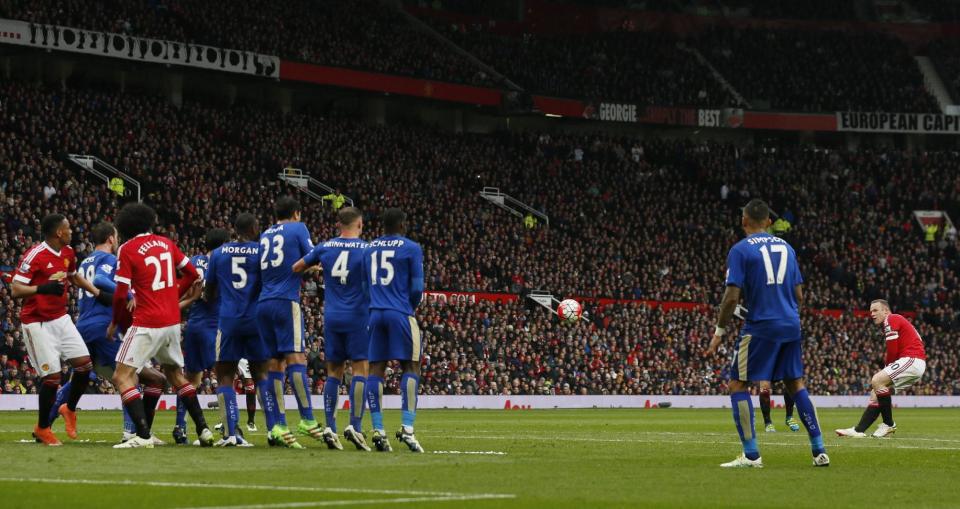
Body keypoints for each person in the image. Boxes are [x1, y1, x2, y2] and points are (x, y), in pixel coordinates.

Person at [706, 199, 829, 468]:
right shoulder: (788, 247)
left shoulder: (740, 250)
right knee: (796, 384)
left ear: (743, 221)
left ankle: (751, 455)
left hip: (761, 324)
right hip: (790, 324)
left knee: (738, 384)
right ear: (770, 222)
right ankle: (819, 450)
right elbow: (799, 294)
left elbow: (730, 298)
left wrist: (719, 331)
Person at [109, 202, 214, 449]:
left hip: (147, 321)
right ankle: (204, 429)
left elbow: (120, 293)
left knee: (121, 376)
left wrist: (115, 322)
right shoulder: (166, 243)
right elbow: (191, 274)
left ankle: (143, 436)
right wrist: (171, 294)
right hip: (171, 322)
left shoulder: (127, 248)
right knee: (175, 375)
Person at [63, 222, 168, 444]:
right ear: (111, 238)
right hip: (102, 328)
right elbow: (100, 280)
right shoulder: (110, 259)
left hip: (83, 325)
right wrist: (130, 295)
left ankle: (44, 423)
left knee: (79, 378)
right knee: (129, 375)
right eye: (117, 237)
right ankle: (132, 433)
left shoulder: (86, 261)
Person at [11, 213, 104, 446]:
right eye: (68, 228)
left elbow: (74, 277)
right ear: (58, 233)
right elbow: (15, 289)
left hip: (61, 319)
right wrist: (42, 289)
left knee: (84, 367)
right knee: (52, 377)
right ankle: (43, 428)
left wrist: (98, 293)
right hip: (37, 323)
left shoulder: (68, 252)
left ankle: (69, 408)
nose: (72, 231)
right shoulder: (35, 255)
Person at [294, 206, 371, 451]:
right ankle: (355, 427)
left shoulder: (325, 247)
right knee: (361, 370)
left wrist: (316, 267)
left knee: (334, 373)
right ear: (359, 225)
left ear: (339, 224)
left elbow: (296, 267)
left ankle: (330, 426)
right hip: (358, 315)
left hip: (333, 316)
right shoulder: (368, 250)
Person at [257, 196, 319, 448]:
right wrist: (313, 267)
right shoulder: (299, 228)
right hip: (285, 301)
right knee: (296, 359)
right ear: (296, 213)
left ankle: (280, 424)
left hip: (264, 303)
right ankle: (307, 419)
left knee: (274, 365)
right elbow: (313, 256)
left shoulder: (264, 234)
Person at [206, 213, 272, 447]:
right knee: (262, 374)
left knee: (225, 375)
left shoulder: (219, 253)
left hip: (229, 320)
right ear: (255, 227)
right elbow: (268, 285)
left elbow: (209, 292)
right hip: (256, 320)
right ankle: (274, 430)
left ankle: (230, 433)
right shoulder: (262, 251)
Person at [363, 208, 425, 453]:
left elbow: (364, 286)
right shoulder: (411, 247)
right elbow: (417, 288)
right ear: (401, 224)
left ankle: (378, 430)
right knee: (411, 365)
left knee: (375, 370)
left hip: (375, 312)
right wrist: (406, 307)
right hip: (400, 311)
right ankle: (407, 429)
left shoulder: (369, 248)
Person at [836, 299, 926, 438]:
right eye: (871, 311)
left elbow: (892, 350)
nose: (872, 314)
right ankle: (859, 430)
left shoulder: (891, 318)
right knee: (875, 393)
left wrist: (886, 369)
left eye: (875, 310)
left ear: (886, 310)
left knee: (877, 380)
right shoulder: (896, 320)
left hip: (912, 360)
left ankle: (889, 424)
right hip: (914, 363)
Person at [173, 228, 230, 445]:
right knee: (225, 376)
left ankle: (180, 426)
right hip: (213, 326)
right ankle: (229, 429)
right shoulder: (222, 261)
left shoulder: (194, 261)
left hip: (193, 326)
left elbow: (187, 291)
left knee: (191, 380)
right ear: (223, 244)